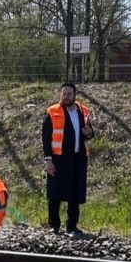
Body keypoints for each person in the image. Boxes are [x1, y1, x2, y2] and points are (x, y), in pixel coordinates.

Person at [42, 82, 94, 234]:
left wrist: (89, 133)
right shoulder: (53, 112)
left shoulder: (83, 111)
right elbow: (46, 138)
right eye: (64, 94)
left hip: (78, 158)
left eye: (69, 94)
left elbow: (89, 132)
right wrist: (48, 160)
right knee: (55, 193)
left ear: (75, 95)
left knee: (75, 192)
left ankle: (72, 225)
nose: (66, 97)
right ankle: (54, 225)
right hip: (58, 159)